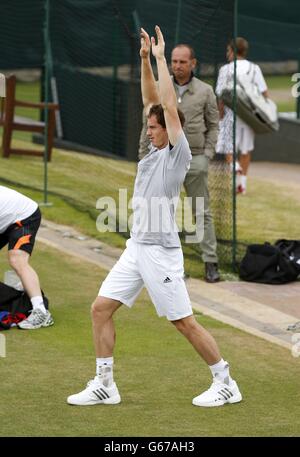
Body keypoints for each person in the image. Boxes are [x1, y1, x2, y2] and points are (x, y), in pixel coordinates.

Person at [67, 26, 242, 408]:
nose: (149, 132)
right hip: (136, 249)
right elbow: (152, 100)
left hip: (161, 254)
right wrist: (145, 59)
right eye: (148, 127)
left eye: (154, 127)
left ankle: (225, 381)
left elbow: (166, 106)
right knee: (100, 308)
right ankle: (104, 384)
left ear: (169, 129)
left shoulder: (177, 154)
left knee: (183, 322)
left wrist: (162, 58)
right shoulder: (151, 149)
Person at [139, 43, 220, 283]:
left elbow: (214, 124)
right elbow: (149, 123)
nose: (177, 66)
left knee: (201, 211)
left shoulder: (205, 91)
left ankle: (210, 262)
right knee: (163, 212)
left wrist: (207, 154)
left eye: (182, 62)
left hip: (194, 158)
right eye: (173, 61)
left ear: (193, 63)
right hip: (165, 161)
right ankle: (173, 265)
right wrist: (144, 154)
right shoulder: (163, 88)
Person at [216, 37, 269, 194]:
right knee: (246, 150)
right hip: (249, 116)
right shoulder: (254, 68)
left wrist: (220, 114)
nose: (227, 54)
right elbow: (265, 93)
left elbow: (221, 96)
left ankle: (235, 167)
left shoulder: (225, 70)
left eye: (228, 51)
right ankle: (242, 184)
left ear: (232, 51)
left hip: (230, 114)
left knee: (227, 147)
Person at [0, 185, 53, 329]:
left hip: (24, 216)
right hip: (6, 218)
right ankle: (15, 295)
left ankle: (41, 312)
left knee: (17, 260)